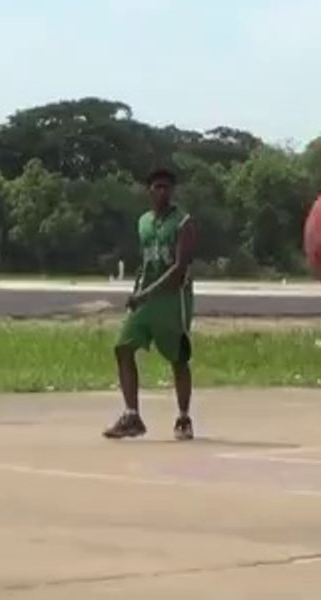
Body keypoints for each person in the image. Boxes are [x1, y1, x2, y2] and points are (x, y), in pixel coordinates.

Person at [103, 168, 198, 441]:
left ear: (173, 191)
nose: (162, 192)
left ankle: (183, 417)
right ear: (149, 190)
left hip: (172, 300)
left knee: (178, 357)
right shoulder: (144, 222)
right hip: (146, 297)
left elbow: (180, 268)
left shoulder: (183, 223)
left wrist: (146, 294)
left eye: (167, 187)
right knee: (123, 348)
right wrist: (137, 292)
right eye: (157, 186)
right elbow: (146, 263)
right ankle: (132, 415)